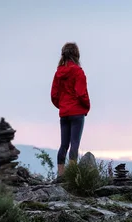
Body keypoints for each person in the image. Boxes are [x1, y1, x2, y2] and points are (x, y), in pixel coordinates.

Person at [50, 42, 91, 183]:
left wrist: (61, 106)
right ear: (76, 55)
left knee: (63, 145)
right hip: (77, 112)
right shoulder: (78, 72)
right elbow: (81, 93)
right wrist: (86, 106)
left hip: (64, 112)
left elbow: (54, 95)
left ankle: (61, 175)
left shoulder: (58, 73)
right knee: (74, 144)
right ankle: (73, 176)